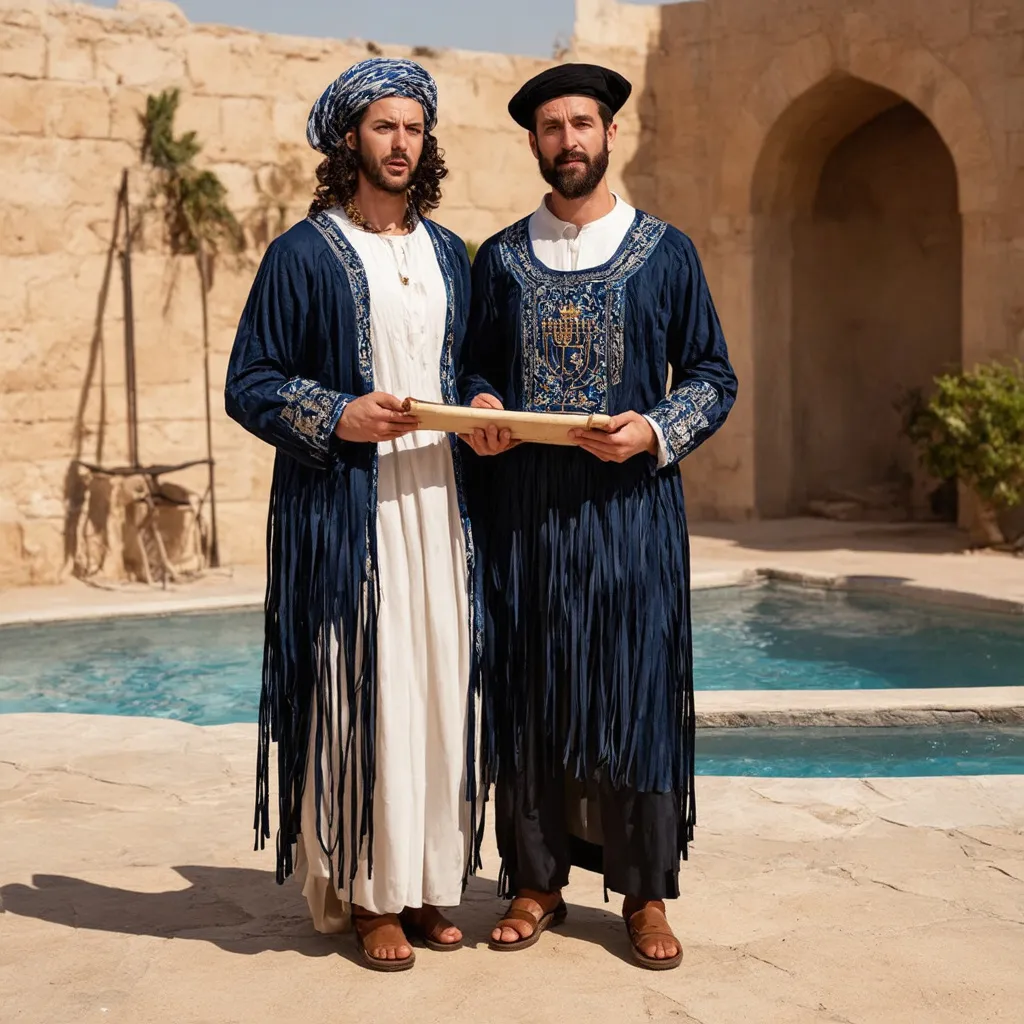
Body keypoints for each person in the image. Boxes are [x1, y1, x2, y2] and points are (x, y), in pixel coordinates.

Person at [458, 63, 737, 970]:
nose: (568, 140)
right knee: (529, 690)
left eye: (583, 123)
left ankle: (646, 893)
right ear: (534, 143)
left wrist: (654, 428)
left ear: (611, 133)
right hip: (526, 518)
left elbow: (712, 378)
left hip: (630, 515)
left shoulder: (668, 253)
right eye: (551, 127)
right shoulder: (497, 259)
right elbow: (471, 371)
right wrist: (485, 407)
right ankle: (535, 881)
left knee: (635, 697)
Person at [224, 58, 483, 972]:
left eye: (414, 128)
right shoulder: (302, 253)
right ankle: (369, 892)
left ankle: (423, 885)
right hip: (346, 512)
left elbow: (473, 364)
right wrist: (337, 413)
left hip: (440, 509)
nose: (402, 144)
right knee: (362, 693)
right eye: (384, 127)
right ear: (349, 139)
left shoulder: (451, 254)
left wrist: (483, 406)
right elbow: (248, 384)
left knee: (436, 689)